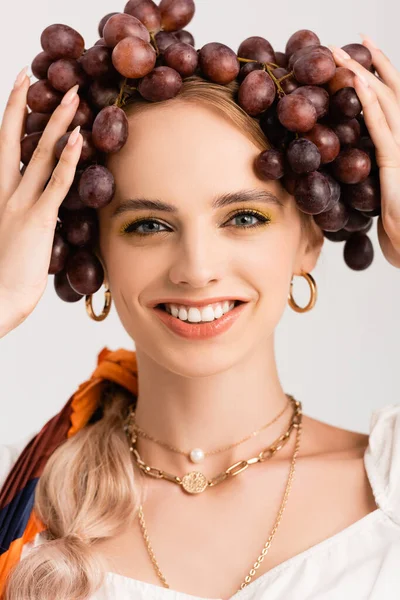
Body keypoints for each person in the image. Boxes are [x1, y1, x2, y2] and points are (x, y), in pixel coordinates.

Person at [1, 31, 400, 600]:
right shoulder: (18, 498)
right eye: (148, 225)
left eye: (243, 218)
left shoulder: (390, 491)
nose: (196, 268)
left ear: (309, 238)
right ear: (96, 254)